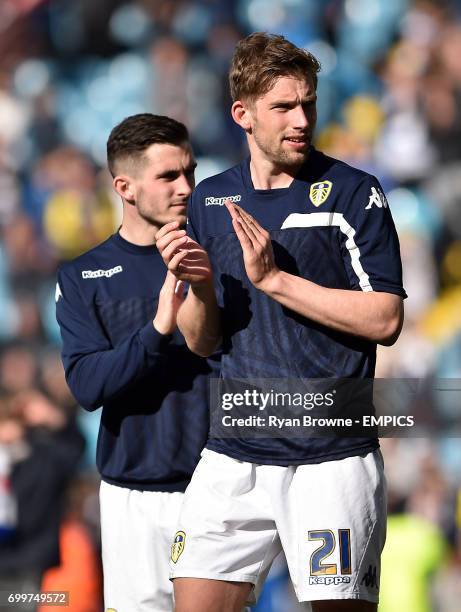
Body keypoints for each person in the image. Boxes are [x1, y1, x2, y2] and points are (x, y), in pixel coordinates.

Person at [156, 33, 406, 612]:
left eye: (309, 104)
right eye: (284, 107)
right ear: (242, 114)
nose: (301, 119)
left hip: (331, 458)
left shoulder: (352, 192)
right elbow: (201, 340)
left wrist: (276, 280)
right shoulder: (211, 201)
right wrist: (196, 285)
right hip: (234, 453)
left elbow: (386, 317)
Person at [55, 114, 214, 612]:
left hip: (219, 487)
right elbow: (85, 385)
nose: (185, 187)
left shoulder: (218, 258)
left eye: (189, 171)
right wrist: (157, 330)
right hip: (133, 499)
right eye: (168, 176)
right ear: (124, 186)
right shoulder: (85, 276)